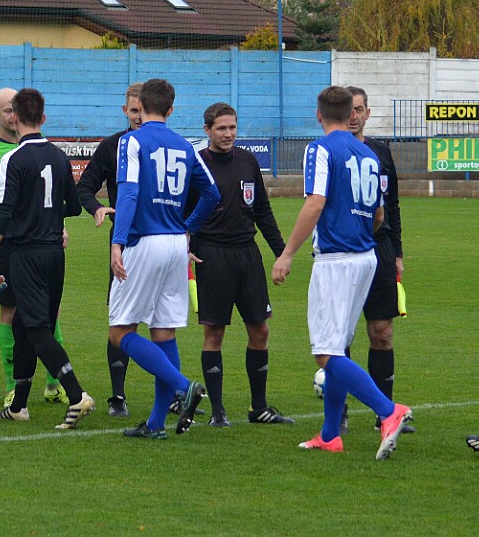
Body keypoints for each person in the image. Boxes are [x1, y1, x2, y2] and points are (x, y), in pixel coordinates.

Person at [271, 86, 412, 460]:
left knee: (325, 353)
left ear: (318, 115)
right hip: (367, 256)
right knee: (335, 348)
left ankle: (389, 410)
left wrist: (286, 255)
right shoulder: (367, 153)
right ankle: (330, 434)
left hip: (337, 260)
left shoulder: (319, 149)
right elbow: (379, 214)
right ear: (350, 112)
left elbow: (315, 202)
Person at [107, 78, 220, 440]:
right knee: (163, 332)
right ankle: (156, 424)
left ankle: (184, 386)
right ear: (171, 109)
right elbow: (211, 194)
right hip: (175, 244)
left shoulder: (132, 140)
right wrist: (186, 228)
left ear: (139, 106)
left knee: (120, 331)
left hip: (146, 242)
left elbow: (127, 194)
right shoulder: (186, 145)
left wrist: (117, 242)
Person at [0, 87, 95, 428]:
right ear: (43, 118)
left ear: (13, 118)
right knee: (22, 326)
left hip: (25, 254)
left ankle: (77, 396)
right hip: (54, 254)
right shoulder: (60, 157)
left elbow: (4, 213)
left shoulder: (12, 159)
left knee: (36, 327)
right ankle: (19, 405)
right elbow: (73, 206)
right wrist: (49, 218)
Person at [187, 103, 292, 427]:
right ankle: (218, 412)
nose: (228, 134)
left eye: (232, 127)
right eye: (221, 128)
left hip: (248, 254)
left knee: (260, 329)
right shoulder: (197, 165)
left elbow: (262, 209)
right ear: (207, 130)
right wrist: (185, 244)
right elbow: (182, 213)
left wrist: (282, 251)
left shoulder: (247, 161)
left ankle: (258, 408)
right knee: (214, 332)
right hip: (212, 255)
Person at [0, 87, 69, 407]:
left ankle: (54, 383)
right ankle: (13, 386)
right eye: (3, 110)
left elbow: (49, 201)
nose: (8, 115)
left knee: (46, 315)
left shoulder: (34, 151)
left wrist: (58, 224)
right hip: (9, 245)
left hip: (35, 242)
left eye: (11, 109)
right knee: (10, 313)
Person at [344, 86, 413, 435]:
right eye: (348, 110)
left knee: (382, 332)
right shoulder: (332, 153)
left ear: (368, 113)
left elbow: (393, 204)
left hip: (381, 248)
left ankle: (384, 413)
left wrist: (397, 252)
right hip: (344, 249)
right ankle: (337, 410)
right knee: (340, 336)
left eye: (359, 109)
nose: (354, 116)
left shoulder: (381, 152)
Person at [77, 82, 142, 418]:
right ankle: (118, 396)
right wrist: (97, 208)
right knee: (122, 319)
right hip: (126, 242)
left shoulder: (170, 147)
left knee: (164, 322)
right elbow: (84, 188)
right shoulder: (113, 146)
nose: (139, 117)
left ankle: (173, 391)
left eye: (144, 110)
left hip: (166, 240)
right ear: (125, 111)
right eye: (134, 111)